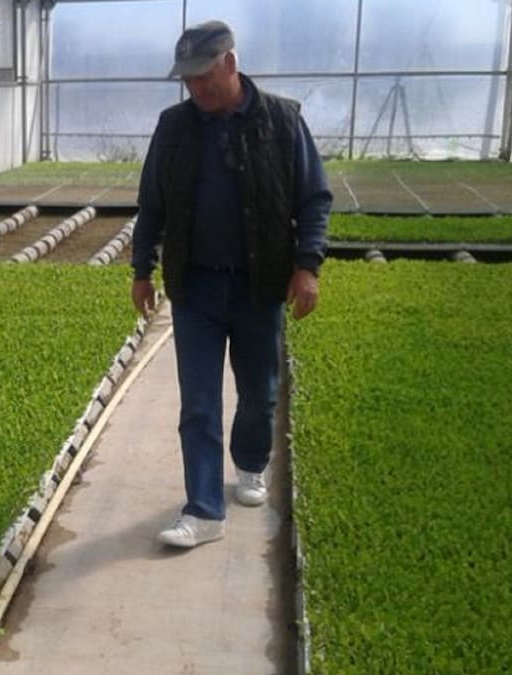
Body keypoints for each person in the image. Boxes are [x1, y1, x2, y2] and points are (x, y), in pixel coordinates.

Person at [131, 20, 332, 549]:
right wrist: (140, 270)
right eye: (188, 80)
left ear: (230, 63)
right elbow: (151, 203)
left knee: (258, 394)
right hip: (194, 288)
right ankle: (203, 511)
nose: (196, 88)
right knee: (197, 402)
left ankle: (250, 462)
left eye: (203, 76)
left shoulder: (282, 121)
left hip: (258, 284)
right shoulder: (173, 126)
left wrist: (307, 266)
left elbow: (314, 198)